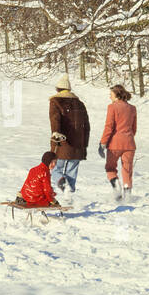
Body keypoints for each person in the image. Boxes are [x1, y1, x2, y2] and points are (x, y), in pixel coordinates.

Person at [48, 72, 91, 203]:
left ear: (58, 89)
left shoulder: (56, 102)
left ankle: (63, 186)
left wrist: (56, 133)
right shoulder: (80, 104)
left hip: (62, 142)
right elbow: (87, 125)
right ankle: (69, 193)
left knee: (56, 169)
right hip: (79, 143)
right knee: (72, 169)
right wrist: (85, 143)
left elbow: (55, 119)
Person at [99, 83, 138, 200]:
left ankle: (116, 189)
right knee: (127, 170)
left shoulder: (112, 107)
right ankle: (127, 195)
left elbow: (109, 126)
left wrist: (103, 143)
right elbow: (134, 128)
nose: (109, 97)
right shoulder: (132, 108)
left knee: (110, 168)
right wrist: (128, 137)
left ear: (116, 95)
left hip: (114, 144)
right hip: (129, 144)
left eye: (110, 94)